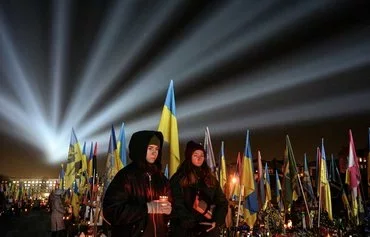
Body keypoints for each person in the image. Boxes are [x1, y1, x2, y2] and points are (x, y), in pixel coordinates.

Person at [103, 130, 172, 237]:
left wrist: (169, 211)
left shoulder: (162, 179)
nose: (154, 153)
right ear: (140, 148)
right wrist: (147, 208)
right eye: (150, 148)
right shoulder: (126, 176)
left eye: (157, 149)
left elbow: (171, 207)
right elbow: (111, 211)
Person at [170, 141, 228, 237]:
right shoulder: (179, 178)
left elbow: (222, 202)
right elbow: (177, 203)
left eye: (202, 155)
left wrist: (216, 221)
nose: (199, 158)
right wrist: (191, 222)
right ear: (189, 156)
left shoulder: (210, 179)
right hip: (185, 230)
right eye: (195, 155)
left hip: (208, 228)